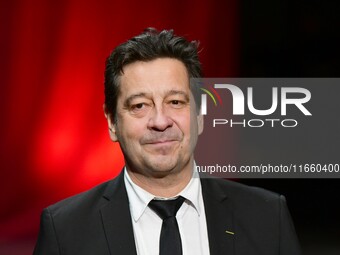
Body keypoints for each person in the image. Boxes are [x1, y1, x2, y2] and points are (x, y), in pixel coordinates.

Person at [33, 28, 301, 255]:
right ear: (112, 122)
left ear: (199, 116)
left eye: (175, 102)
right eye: (139, 105)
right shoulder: (65, 231)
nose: (160, 121)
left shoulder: (267, 217)